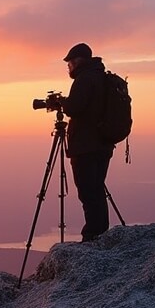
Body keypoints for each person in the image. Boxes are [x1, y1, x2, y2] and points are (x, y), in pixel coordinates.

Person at [59, 42, 113, 241]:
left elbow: (74, 108)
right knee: (97, 187)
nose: (68, 67)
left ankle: (93, 235)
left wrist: (63, 102)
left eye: (70, 62)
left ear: (77, 61)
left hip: (85, 146)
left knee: (88, 191)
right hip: (104, 144)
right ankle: (101, 233)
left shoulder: (85, 79)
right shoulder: (102, 77)